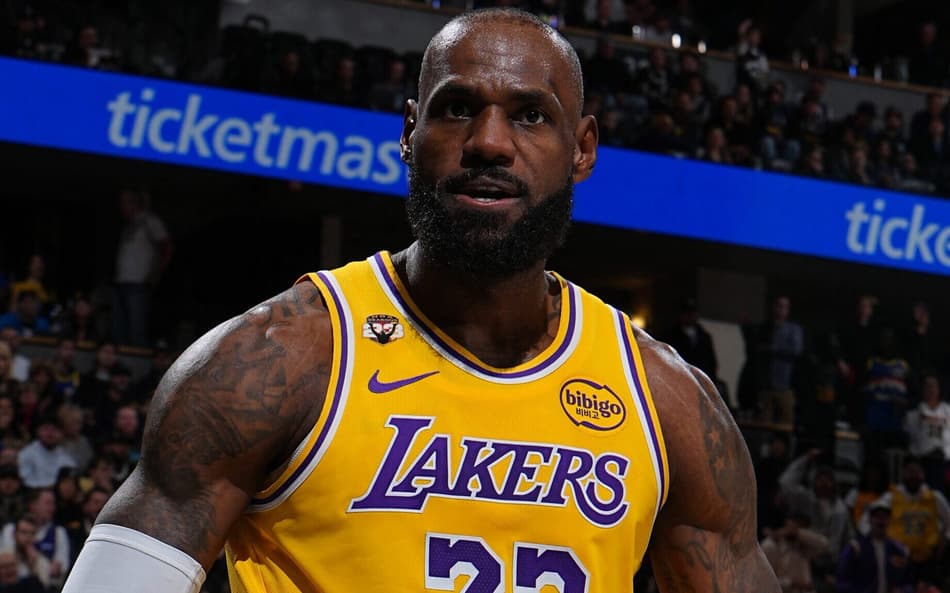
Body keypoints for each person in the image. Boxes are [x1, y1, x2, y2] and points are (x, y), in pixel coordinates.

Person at [63, 9, 780, 593]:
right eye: (458, 108)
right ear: (410, 132)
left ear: (583, 148)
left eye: (530, 116)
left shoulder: (668, 405)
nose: (489, 142)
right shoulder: (269, 363)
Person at [836, 499, 910, 593]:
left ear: (889, 520)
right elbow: (841, 583)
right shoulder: (855, 548)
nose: (881, 521)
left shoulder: (898, 549)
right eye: (877, 516)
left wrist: (903, 590)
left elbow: (908, 581)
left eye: (885, 517)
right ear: (870, 519)